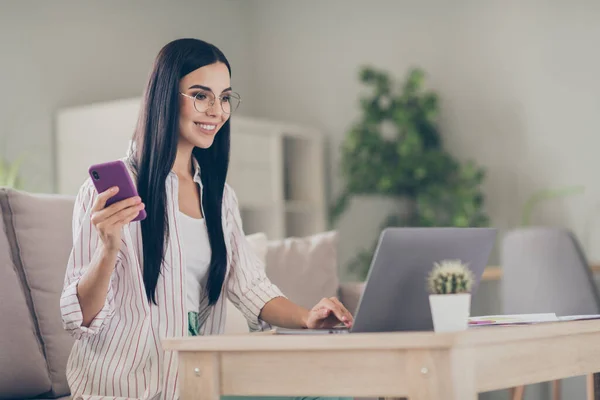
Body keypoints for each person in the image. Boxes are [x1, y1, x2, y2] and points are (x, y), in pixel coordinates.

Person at [60, 38, 353, 400]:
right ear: (166, 98)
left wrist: (309, 318)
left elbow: (249, 287)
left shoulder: (219, 197)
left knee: (332, 391)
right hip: (127, 392)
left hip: (198, 386)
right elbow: (79, 319)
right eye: (202, 95)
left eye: (225, 97)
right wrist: (108, 249)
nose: (217, 110)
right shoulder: (107, 192)